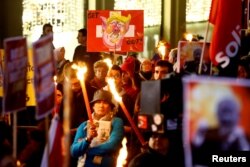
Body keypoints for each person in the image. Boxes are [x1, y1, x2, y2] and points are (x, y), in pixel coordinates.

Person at [71, 90, 124, 167]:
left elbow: (112, 145)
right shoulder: (84, 125)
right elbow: (74, 151)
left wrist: (87, 151)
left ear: (110, 106)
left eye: (105, 102)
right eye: (98, 102)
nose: (101, 106)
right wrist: (87, 139)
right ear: (93, 106)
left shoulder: (116, 122)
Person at [192, 97, 250, 166]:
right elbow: (197, 161)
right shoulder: (209, 136)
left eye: (230, 112)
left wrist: (242, 141)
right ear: (217, 115)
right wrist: (199, 137)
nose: (226, 118)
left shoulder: (244, 139)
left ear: (238, 116)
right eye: (223, 111)